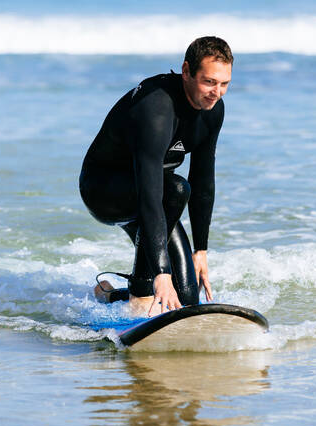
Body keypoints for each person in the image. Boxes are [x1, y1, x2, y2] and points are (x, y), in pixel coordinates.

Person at [79, 36, 233, 316]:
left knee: (187, 300)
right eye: (209, 81)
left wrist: (201, 251)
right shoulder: (157, 106)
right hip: (104, 190)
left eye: (224, 84)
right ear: (186, 71)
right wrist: (160, 273)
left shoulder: (212, 110)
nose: (217, 92)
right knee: (175, 189)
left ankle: (108, 293)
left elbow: (203, 182)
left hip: (158, 196)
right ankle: (139, 294)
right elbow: (151, 191)